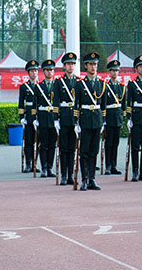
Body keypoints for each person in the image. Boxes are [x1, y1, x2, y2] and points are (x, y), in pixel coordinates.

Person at [75, 52, 106, 191]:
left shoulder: (102, 84)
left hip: (97, 120)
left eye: (95, 64)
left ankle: (92, 179)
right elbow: (76, 104)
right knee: (84, 151)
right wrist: (77, 122)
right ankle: (84, 179)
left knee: (94, 151)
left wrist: (103, 121)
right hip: (86, 120)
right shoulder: (80, 85)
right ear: (86, 66)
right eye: (91, 64)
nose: (93, 67)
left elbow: (103, 105)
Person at [125, 55, 142, 182]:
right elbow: (128, 102)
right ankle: (135, 171)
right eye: (141, 66)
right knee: (135, 146)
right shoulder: (132, 84)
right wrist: (129, 118)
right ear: (136, 69)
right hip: (136, 117)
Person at [56, 52, 79, 185]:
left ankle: (71, 174)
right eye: (68, 64)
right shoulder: (59, 82)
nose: (71, 66)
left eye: (73, 64)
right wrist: (55, 119)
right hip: (64, 118)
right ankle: (64, 174)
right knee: (64, 148)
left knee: (72, 148)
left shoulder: (79, 81)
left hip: (74, 119)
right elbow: (55, 101)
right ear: (64, 66)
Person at [36, 59, 58, 178]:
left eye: (51, 70)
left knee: (52, 144)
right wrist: (35, 118)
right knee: (43, 144)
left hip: (53, 119)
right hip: (43, 118)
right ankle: (43, 167)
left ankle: (50, 167)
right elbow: (35, 104)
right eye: (47, 70)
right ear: (43, 71)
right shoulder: (39, 87)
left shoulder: (57, 86)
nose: (50, 72)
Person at [104, 59, 126, 175]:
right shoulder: (105, 86)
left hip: (117, 118)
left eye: (117, 71)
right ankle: (107, 165)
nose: (115, 73)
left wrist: (122, 118)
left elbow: (123, 106)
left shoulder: (122, 87)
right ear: (109, 72)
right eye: (113, 71)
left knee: (116, 143)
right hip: (109, 117)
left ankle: (114, 165)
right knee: (109, 142)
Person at [18, 59, 39, 173]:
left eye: (35, 70)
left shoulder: (41, 86)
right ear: (28, 73)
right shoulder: (24, 87)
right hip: (29, 117)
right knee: (29, 141)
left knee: (38, 141)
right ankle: (28, 163)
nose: (34, 73)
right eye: (31, 71)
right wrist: (22, 118)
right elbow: (21, 104)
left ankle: (35, 163)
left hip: (39, 116)